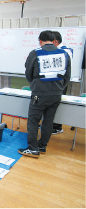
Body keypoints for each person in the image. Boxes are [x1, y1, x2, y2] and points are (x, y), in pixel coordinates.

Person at [18, 30, 71, 158]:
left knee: (34, 120)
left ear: (40, 41)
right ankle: (42, 145)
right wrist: (59, 88)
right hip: (57, 94)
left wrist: (35, 85)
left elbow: (28, 73)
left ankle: (33, 148)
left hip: (39, 93)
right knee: (49, 121)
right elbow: (67, 76)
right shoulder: (64, 54)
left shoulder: (35, 53)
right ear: (54, 41)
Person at [51, 31, 73, 135]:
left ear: (55, 41)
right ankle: (50, 125)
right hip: (52, 83)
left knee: (57, 105)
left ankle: (57, 127)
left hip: (60, 83)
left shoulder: (65, 51)